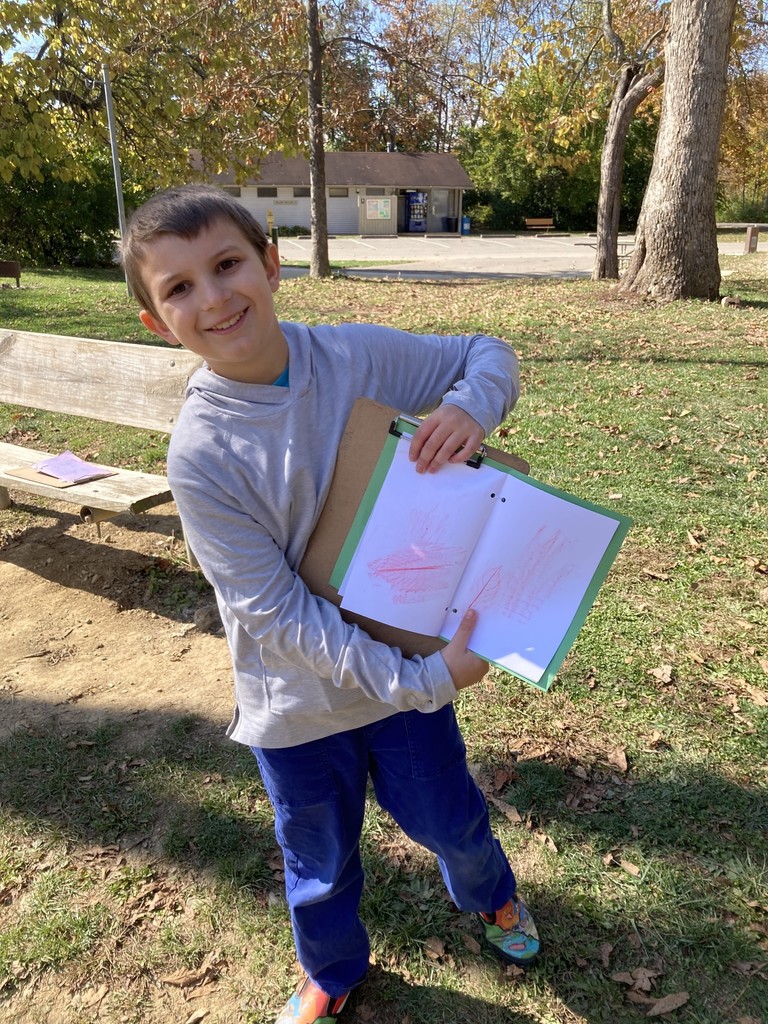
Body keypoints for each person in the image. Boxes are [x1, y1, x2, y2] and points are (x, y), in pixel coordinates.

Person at [120, 185, 540, 1024]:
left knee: (450, 818)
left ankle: (491, 893)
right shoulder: (201, 457)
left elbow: (486, 352)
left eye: (228, 264)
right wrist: (427, 681)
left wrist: (469, 405)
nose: (214, 296)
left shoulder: (353, 358)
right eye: (180, 288)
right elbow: (275, 614)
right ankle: (332, 968)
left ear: (272, 264)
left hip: (406, 673)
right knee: (317, 863)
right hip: (298, 704)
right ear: (158, 323)